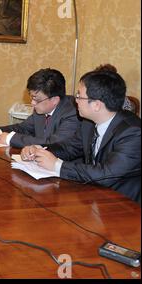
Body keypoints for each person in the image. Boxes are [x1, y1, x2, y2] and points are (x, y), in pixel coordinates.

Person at [21, 70, 141, 203]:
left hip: (124, 206)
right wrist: (39, 150)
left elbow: (106, 175)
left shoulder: (133, 133)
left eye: (79, 96)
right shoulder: (88, 124)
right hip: (95, 197)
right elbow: (69, 147)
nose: (75, 101)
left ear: (96, 105)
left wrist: (57, 165)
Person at [0, 68, 80, 148]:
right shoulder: (41, 109)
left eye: (37, 100)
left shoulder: (73, 113)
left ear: (54, 100)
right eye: (31, 97)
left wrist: (10, 138)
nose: (32, 103)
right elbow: (23, 128)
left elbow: (53, 143)